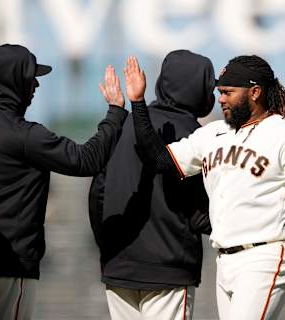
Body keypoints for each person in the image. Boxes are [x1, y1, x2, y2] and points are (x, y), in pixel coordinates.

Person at [123, 54, 285, 319]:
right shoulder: (213, 133)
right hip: (225, 259)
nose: (221, 98)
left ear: (255, 92)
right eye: (219, 91)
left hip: (267, 253)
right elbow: (158, 160)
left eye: (228, 92)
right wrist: (137, 103)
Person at [0, 44, 128, 320]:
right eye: (31, 77)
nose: (36, 85)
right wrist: (115, 113)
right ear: (15, 81)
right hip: (9, 267)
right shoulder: (25, 135)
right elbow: (86, 160)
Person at [88, 50, 214, 320]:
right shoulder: (196, 136)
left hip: (119, 266)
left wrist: (109, 249)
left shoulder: (122, 124)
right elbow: (197, 208)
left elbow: (98, 191)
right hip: (168, 267)